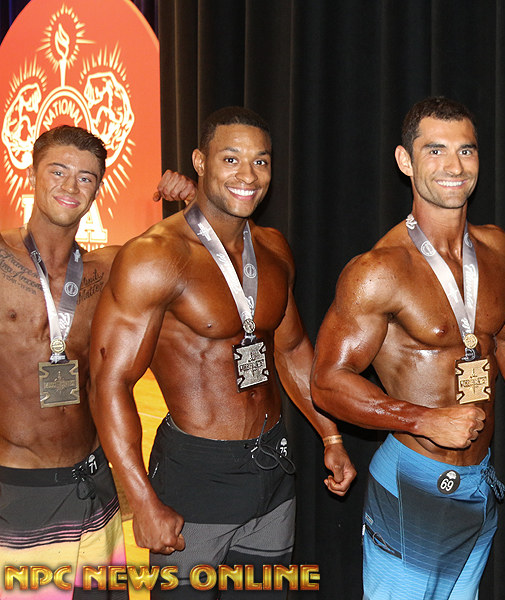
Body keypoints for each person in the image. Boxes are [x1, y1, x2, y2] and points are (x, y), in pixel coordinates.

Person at [90, 106, 356, 597]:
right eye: (231, 159)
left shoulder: (274, 249)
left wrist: (330, 434)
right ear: (200, 162)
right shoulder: (155, 257)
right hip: (196, 479)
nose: (248, 176)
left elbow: (292, 349)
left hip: (273, 472)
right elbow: (110, 382)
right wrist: (142, 501)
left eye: (261, 161)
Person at [310, 96, 505, 600]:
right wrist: (422, 419)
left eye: (466, 150)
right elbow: (326, 383)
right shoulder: (379, 270)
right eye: (435, 150)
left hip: (479, 483)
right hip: (413, 484)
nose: (454, 166)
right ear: (405, 161)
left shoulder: (497, 249)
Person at [0, 125, 127, 598]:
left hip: (94, 485)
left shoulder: (108, 269)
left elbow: (191, 249)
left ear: (97, 189)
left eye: (86, 177)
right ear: (32, 174)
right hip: (19, 493)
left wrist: (190, 196)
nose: (71, 186)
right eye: (58, 171)